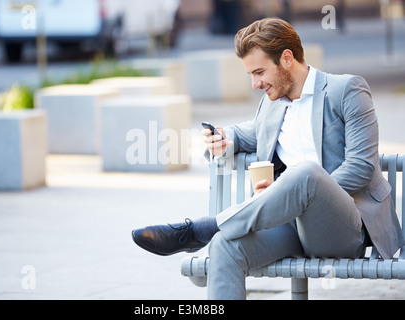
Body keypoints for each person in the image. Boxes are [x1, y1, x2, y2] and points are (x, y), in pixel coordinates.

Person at [132, 17, 404, 300]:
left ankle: (202, 229)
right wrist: (225, 138)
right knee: (225, 246)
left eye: (259, 72)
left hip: (343, 229)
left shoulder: (347, 91)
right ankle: (214, 233)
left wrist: (296, 191)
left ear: (287, 58)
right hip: (290, 228)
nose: (254, 84)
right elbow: (250, 133)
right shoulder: (273, 104)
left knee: (306, 174)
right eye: (250, 74)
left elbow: (361, 167)